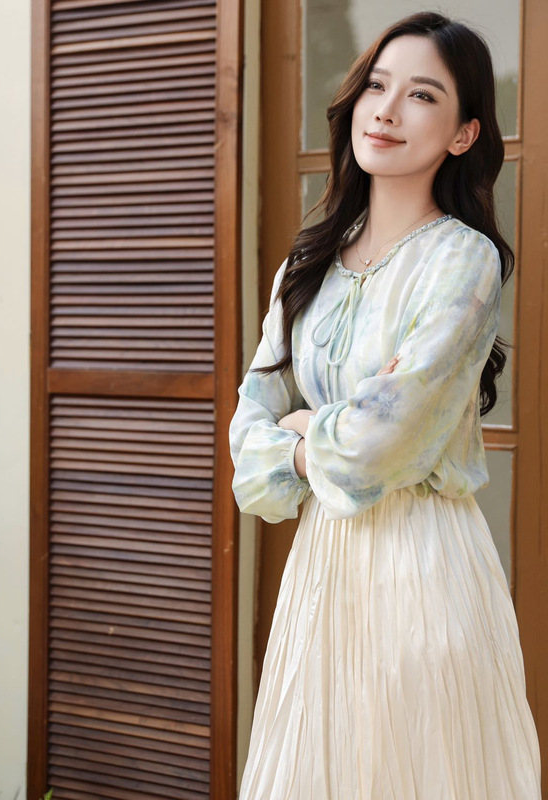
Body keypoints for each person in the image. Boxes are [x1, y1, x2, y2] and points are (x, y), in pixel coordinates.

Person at [229, 11, 542, 800]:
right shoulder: (306, 265)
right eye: (377, 85)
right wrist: (314, 439)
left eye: (422, 95)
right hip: (320, 573)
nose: (388, 110)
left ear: (464, 134)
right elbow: (248, 440)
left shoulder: (462, 263)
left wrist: (303, 430)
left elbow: (382, 442)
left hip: (424, 568)